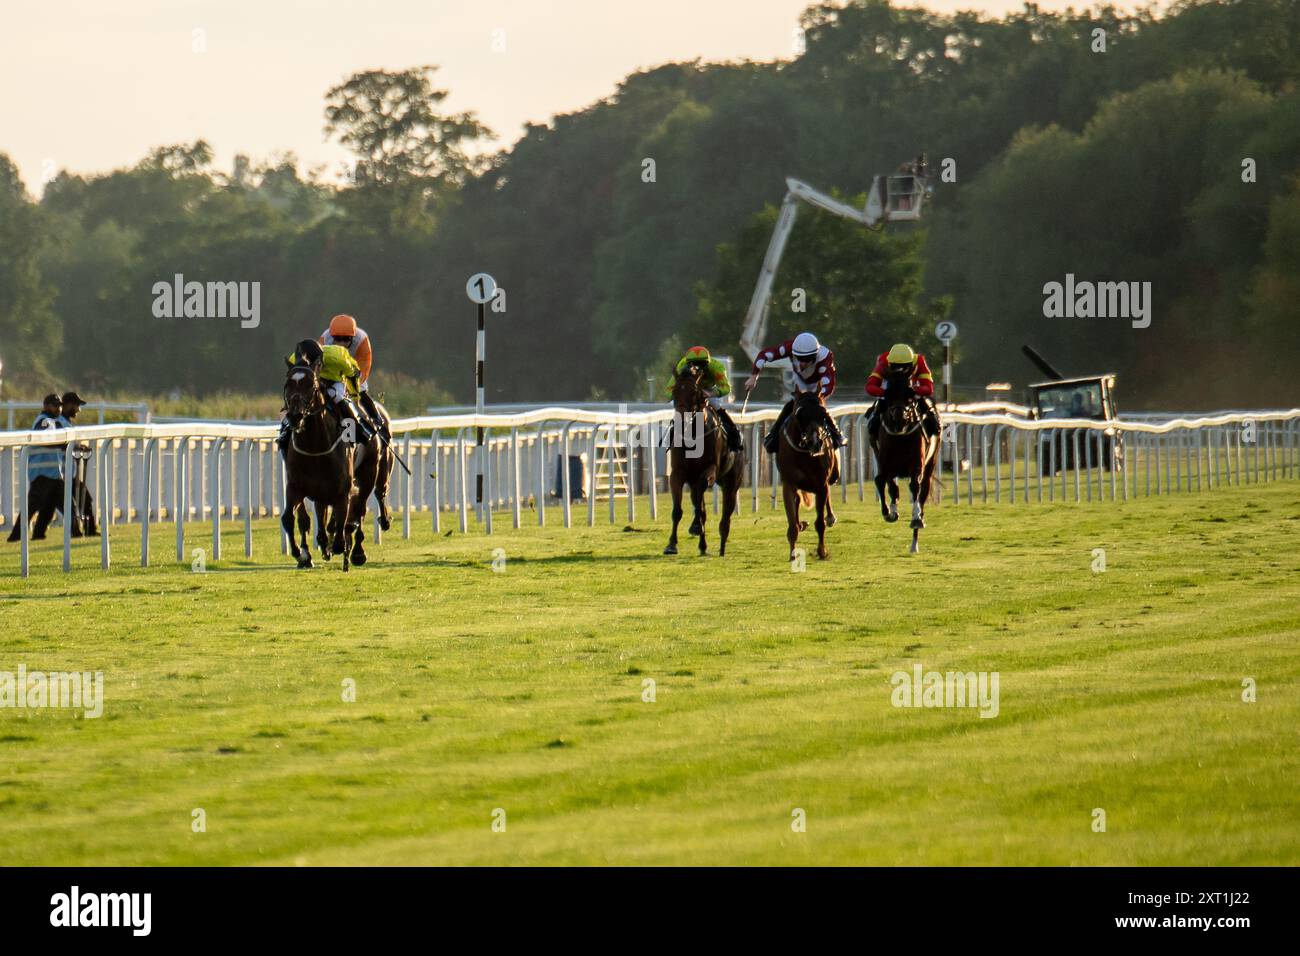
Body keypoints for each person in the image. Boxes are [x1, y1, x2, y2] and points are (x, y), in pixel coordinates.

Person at [743, 331, 845, 453]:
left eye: (806, 359)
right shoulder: (789, 347)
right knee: (790, 406)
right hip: (800, 381)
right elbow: (764, 355)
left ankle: (836, 434)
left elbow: (829, 384)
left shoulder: (825, 357)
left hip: (817, 384)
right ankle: (773, 436)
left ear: (814, 355)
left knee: (817, 408)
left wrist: (818, 398)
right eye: (799, 358)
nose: (802, 363)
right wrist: (754, 377)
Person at [278, 338, 373, 452]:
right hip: (309, 382)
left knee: (336, 396)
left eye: (316, 367)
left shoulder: (338, 359)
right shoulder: (294, 360)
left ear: (320, 361)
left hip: (335, 380)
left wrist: (355, 400)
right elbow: (292, 387)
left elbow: (352, 377)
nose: (315, 370)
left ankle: (357, 430)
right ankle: (284, 433)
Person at [6, 394, 67, 542]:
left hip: (52, 473)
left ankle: (38, 534)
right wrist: (62, 443)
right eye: (55, 405)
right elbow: (47, 437)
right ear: (46, 406)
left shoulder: (52, 421)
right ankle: (16, 536)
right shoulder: (45, 421)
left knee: (51, 506)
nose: (58, 408)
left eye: (59, 405)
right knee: (33, 507)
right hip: (42, 473)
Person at [319, 314, 387, 441]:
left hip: (354, 370)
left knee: (360, 390)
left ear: (353, 337)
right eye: (337, 339)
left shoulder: (362, 340)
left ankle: (376, 419)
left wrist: (351, 387)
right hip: (333, 372)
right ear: (331, 336)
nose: (341, 343)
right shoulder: (324, 338)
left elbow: (364, 369)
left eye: (346, 339)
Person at [663, 346, 743, 452]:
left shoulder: (717, 367)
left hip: (708, 390)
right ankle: (671, 439)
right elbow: (668, 390)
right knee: (680, 410)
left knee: (717, 406)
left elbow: (726, 388)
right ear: (688, 364)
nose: (696, 368)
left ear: (707, 364)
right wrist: (679, 395)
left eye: (701, 365)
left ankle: (734, 434)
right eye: (693, 365)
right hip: (688, 392)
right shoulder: (681, 365)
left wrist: (711, 393)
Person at [865, 343, 941, 443]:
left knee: (929, 410)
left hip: (911, 394)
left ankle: (932, 437)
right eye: (895, 366)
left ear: (911, 363)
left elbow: (928, 388)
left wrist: (914, 390)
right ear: (890, 363)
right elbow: (870, 386)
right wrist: (884, 392)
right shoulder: (884, 361)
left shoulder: (919, 361)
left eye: (904, 366)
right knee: (875, 414)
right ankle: (875, 440)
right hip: (890, 393)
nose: (899, 369)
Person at [59, 391, 99, 536]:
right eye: (77, 406)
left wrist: (79, 447)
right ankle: (78, 532)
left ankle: (89, 530)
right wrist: (75, 447)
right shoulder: (59, 423)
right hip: (62, 473)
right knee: (71, 504)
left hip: (71, 472)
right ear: (68, 405)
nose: (78, 410)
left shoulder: (66, 423)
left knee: (86, 500)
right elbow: (60, 444)